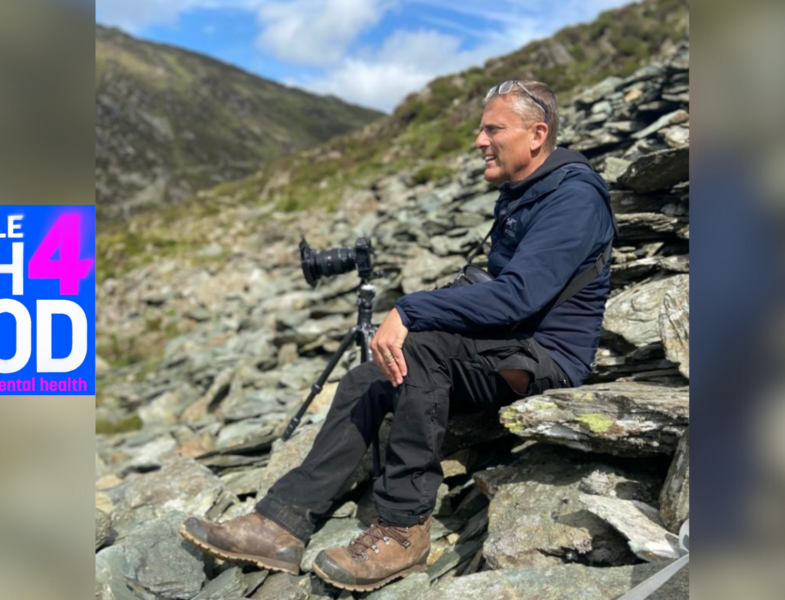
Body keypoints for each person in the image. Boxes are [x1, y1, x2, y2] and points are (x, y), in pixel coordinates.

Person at [179, 79, 616, 592]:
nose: (478, 141)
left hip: (541, 362)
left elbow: (519, 296)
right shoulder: (525, 193)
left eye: (492, 128)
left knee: (418, 347)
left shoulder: (574, 198)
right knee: (369, 378)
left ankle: (404, 527)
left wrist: (411, 309)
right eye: (480, 129)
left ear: (537, 134)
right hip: (504, 346)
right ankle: (280, 523)